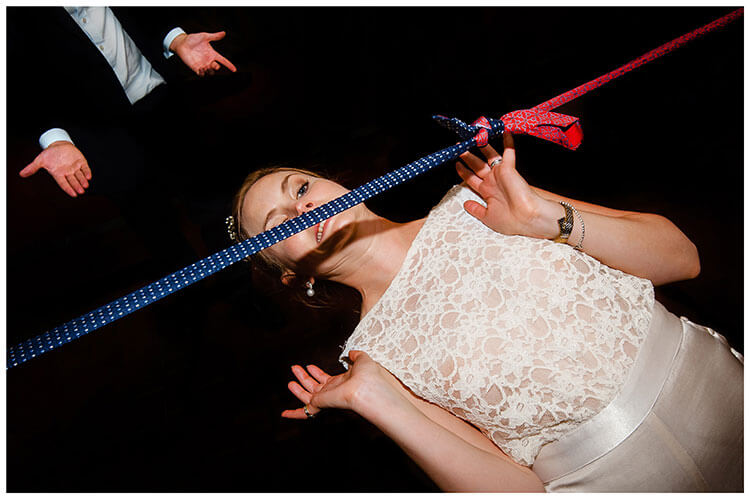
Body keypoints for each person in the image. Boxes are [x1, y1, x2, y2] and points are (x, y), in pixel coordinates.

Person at [230, 132, 742, 492]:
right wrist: (373, 399)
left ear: (333, 182)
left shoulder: (476, 201)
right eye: (278, 225)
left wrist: (547, 219)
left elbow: (682, 258)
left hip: (727, 396)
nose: (302, 208)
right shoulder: (374, 361)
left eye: (301, 188)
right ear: (289, 274)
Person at [9, 6, 237, 198]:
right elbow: (20, 79)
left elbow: (145, 12)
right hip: (98, 133)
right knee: (151, 219)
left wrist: (177, 39)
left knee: (210, 191)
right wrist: (55, 140)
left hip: (163, 98)